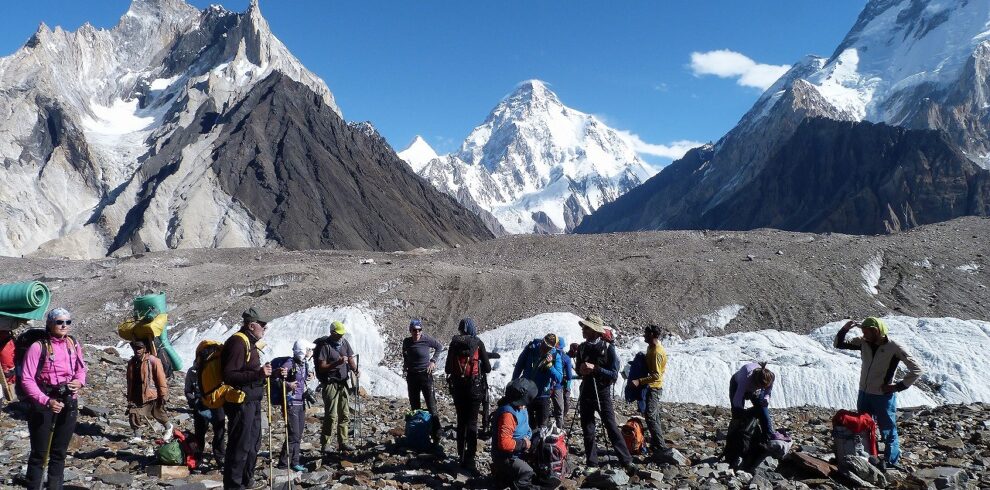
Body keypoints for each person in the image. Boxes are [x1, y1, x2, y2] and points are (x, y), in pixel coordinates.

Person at [835, 317, 923, 469]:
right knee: (864, 427)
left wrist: (897, 386)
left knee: (887, 429)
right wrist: (844, 330)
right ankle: (869, 457)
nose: (864, 335)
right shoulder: (864, 343)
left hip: (883, 396)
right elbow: (839, 344)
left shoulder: (893, 347)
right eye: (863, 332)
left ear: (877, 331)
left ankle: (891, 461)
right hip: (865, 392)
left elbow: (917, 370)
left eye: (867, 332)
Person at [20, 308, 88, 490]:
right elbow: (27, 379)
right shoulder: (38, 347)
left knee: (60, 452)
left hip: (68, 400)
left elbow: (81, 369)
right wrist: (46, 401)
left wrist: (79, 382)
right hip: (44, 403)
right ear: (50, 324)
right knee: (39, 453)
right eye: (59, 322)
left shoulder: (73, 344)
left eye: (68, 322)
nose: (64, 325)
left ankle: (55, 486)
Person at [575, 314, 635, 473]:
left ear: (594, 330)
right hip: (586, 391)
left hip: (602, 393)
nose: (583, 330)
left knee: (611, 426)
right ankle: (592, 463)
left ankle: (626, 460)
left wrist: (595, 369)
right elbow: (578, 369)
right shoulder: (581, 348)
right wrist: (581, 370)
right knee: (587, 428)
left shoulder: (608, 348)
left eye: (586, 327)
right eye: (583, 327)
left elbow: (614, 374)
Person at [221, 307, 273, 490]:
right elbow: (229, 375)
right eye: (262, 326)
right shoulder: (237, 343)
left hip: (253, 400)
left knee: (253, 444)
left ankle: (246, 480)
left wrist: (264, 374)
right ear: (252, 326)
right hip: (241, 403)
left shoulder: (251, 343)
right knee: (240, 446)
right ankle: (234, 485)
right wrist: (258, 374)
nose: (264, 329)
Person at [444, 318, 492, 472]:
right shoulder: (477, 343)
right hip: (474, 389)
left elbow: (447, 368)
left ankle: (460, 455)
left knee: (461, 421)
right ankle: (470, 458)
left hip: (458, 388)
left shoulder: (454, 344)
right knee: (472, 423)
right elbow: (489, 368)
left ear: (460, 329)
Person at [629, 324, 678, 463]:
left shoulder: (657, 352)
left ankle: (660, 447)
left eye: (646, 333)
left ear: (651, 334)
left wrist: (639, 380)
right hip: (651, 387)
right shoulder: (650, 348)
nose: (643, 335)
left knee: (650, 416)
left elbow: (656, 375)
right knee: (653, 416)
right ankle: (657, 444)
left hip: (654, 388)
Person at [315, 320, 358, 454]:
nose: (341, 336)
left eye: (342, 333)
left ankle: (343, 442)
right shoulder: (325, 346)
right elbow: (322, 367)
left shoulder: (344, 342)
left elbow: (350, 357)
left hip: (343, 383)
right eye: (338, 334)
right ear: (332, 332)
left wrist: (355, 369)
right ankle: (325, 443)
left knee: (344, 413)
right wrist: (336, 363)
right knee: (331, 415)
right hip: (330, 383)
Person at [274, 339, 315, 472]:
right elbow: (277, 379)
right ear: (302, 351)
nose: (310, 352)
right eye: (308, 350)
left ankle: (295, 461)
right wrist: (288, 385)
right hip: (291, 402)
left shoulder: (304, 364)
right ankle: (284, 463)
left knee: (298, 434)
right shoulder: (289, 363)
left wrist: (309, 376)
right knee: (293, 434)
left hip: (300, 402)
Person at [491, 378, 538, 490]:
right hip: (506, 456)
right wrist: (523, 444)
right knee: (528, 472)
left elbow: (527, 428)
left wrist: (529, 438)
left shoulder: (522, 408)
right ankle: (514, 486)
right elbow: (504, 444)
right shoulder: (508, 414)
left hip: (520, 450)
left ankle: (506, 478)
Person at [185, 342, 226, 470]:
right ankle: (199, 458)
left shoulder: (217, 368)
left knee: (218, 432)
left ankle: (219, 457)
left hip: (215, 403)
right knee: (202, 433)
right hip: (203, 404)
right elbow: (188, 390)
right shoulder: (193, 371)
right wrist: (194, 401)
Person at [401, 319, 444, 441]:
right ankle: (418, 432)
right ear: (410, 330)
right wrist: (406, 363)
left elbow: (439, 347)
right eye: (414, 330)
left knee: (431, 404)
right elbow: (405, 352)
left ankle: (437, 432)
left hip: (425, 375)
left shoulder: (426, 339)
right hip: (412, 376)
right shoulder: (407, 341)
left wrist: (433, 361)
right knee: (415, 405)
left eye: (419, 330)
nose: (417, 332)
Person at [511, 333, 563, 430]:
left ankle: (539, 444)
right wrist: (514, 383)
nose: (544, 348)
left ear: (552, 348)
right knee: (526, 424)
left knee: (542, 427)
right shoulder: (531, 348)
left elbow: (559, 378)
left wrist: (550, 366)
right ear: (542, 340)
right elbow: (519, 365)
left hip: (543, 395)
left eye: (548, 347)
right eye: (544, 344)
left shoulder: (556, 356)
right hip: (526, 393)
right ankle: (528, 443)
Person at [125, 339, 172, 442]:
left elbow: (161, 378)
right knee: (133, 413)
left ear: (145, 349)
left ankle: (169, 427)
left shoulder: (153, 360)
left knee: (158, 413)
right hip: (137, 393)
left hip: (151, 394)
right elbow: (129, 380)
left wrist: (163, 394)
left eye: (139, 348)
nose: (137, 350)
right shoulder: (131, 362)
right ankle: (137, 436)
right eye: (135, 348)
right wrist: (129, 395)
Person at [550, 336, 574, 430]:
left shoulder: (548, 354)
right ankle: (559, 426)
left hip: (546, 385)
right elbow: (569, 376)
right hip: (558, 386)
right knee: (560, 408)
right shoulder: (566, 358)